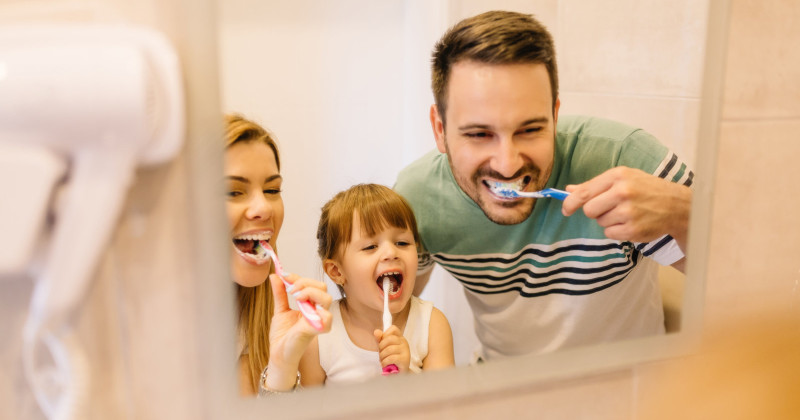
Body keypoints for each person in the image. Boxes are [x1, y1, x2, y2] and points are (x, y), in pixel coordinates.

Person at [393, 11, 694, 361]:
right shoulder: (417, 199)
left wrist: (685, 213)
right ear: (440, 129)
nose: (507, 163)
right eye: (479, 134)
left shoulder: (624, 157)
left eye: (530, 129)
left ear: (554, 115)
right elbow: (392, 313)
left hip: (631, 389)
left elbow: (748, 283)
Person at [296, 184, 454, 385]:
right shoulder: (320, 335)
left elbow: (446, 407)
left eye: (402, 243)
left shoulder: (431, 325)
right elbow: (308, 410)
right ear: (337, 271)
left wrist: (408, 377)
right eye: (370, 246)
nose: (391, 253)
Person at [224, 114, 333, 395]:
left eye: (272, 189)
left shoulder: (262, 324)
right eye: (234, 192)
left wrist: (282, 367)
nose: (264, 208)